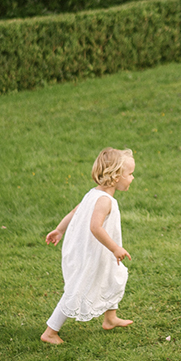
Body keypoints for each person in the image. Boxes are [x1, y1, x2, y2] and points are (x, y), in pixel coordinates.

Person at [40, 147, 135, 344]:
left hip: (98, 251)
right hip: (91, 252)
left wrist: (59, 229)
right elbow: (95, 227)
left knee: (113, 276)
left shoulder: (94, 193)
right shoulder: (104, 201)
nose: (133, 178)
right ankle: (50, 332)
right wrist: (115, 248)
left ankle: (110, 318)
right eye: (130, 174)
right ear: (117, 176)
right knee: (78, 287)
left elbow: (75, 211)